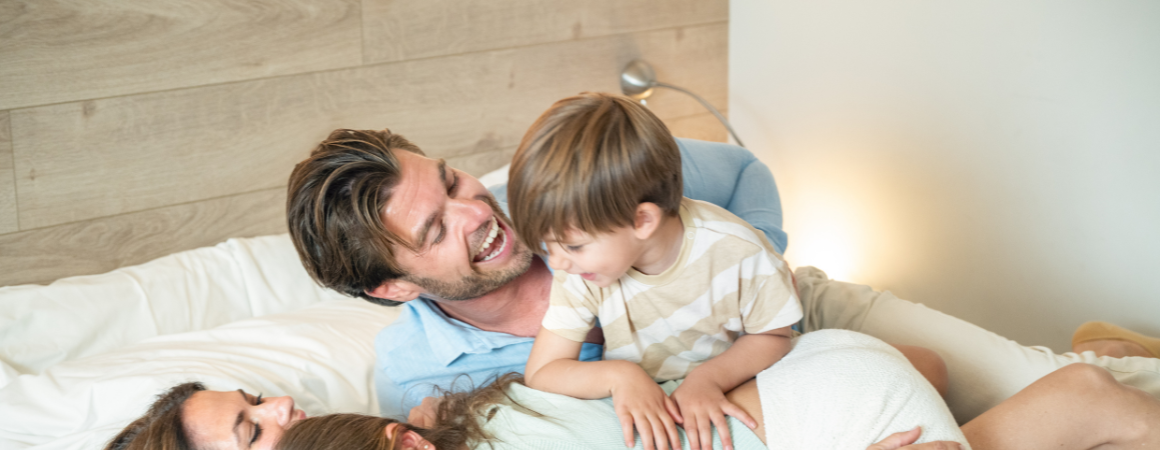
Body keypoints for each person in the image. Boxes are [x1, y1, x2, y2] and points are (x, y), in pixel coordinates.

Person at [284, 106, 1160, 424]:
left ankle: (1101, 367)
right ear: (390, 286)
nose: (482, 213)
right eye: (436, 227)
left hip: (784, 319)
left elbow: (739, 175)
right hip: (751, 413)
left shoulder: (556, 187)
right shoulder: (413, 377)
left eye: (454, 180)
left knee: (1028, 376)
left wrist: (729, 280)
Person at [508, 92, 801, 450]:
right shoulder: (579, 270)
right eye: (547, 245)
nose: (556, 263)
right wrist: (620, 376)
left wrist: (707, 380)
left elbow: (773, 336)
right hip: (653, 391)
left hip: (732, 374)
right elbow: (542, 371)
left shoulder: (737, 250)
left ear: (642, 220)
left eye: (572, 245)